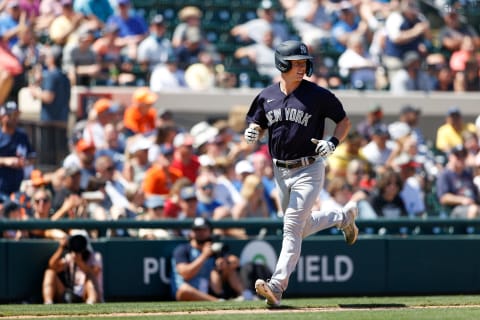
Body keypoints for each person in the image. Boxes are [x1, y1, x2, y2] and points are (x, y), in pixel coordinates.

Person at [243, 40, 358, 307]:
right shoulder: (267, 95)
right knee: (300, 227)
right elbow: (256, 121)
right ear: (281, 64)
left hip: (309, 167)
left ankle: (277, 286)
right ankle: (342, 218)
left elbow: (344, 121)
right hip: (279, 170)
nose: (302, 67)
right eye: (296, 62)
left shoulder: (317, 95)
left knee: (292, 226)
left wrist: (333, 142)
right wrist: (252, 131)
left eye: (304, 62)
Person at [171, 217, 244, 301]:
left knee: (227, 270)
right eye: (197, 230)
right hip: (187, 291)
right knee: (185, 290)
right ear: (192, 232)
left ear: (210, 231)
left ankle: (246, 296)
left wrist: (225, 263)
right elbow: (185, 274)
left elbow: (234, 261)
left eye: (203, 230)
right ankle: (218, 302)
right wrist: (204, 255)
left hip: (210, 289)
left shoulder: (214, 248)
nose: (200, 233)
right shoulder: (183, 249)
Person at [42, 233, 103, 304]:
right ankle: (48, 302)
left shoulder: (96, 256)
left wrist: (79, 262)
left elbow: (93, 273)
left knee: (90, 278)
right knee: (50, 272)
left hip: (87, 294)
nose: (78, 245)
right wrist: (61, 248)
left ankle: (91, 303)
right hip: (71, 295)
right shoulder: (71, 256)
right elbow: (52, 266)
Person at [0, 101, 36, 198]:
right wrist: (5, 161)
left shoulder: (22, 135)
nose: (15, 118)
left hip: (19, 187)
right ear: (3, 117)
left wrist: (24, 162)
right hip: (2, 187)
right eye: (11, 115)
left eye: (16, 115)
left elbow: (32, 157)